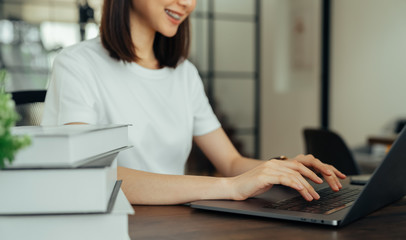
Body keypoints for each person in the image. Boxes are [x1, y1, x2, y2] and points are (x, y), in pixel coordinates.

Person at [41, 0, 346, 205]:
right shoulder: (77, 64)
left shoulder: (184, 74)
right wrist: (229, 187)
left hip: (176, 225)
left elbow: (230, 162)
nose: (187, 3)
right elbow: (95, 176)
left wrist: (280, 169)